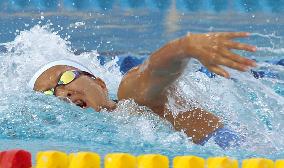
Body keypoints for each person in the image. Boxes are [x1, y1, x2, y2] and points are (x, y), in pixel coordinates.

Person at [28, 32, 256, 149]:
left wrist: (185, 47)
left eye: (66, 78)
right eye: (49, 94)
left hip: (239, 151)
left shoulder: (132, 99)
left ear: (100, 83)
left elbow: (153, 72)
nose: (61, 93)